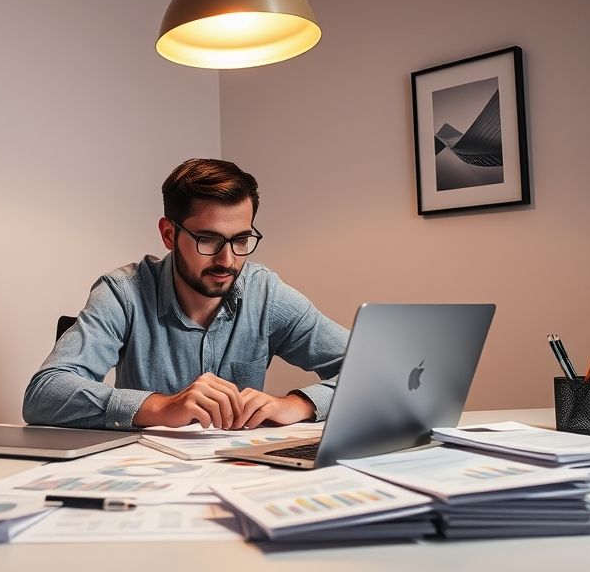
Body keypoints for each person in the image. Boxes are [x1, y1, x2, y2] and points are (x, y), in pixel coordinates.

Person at [22, 158, 349, 431]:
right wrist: (160, 406)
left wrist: (298, 404)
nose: (228, 260)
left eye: (241, 240)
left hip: (242, 476)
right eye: (208, 240)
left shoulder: (266, 294)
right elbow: (44, 394)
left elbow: (374, 372)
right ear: (168, 234)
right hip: (147, 482)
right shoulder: (123, 292)